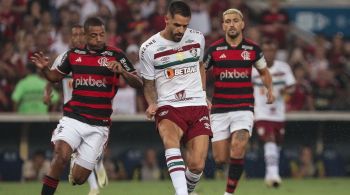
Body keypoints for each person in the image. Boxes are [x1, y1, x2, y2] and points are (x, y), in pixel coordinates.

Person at [30, 17, 142, 195]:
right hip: (73, 118)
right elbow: (54, 77)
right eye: (94, 35)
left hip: (99, 125)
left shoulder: (116, 55)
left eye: (102, 35)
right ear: (86, 36)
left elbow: (139, 83)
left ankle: (78, 161)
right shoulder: (73, 55)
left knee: (79, 179)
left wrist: (122, 71)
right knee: (60, 156)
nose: (99, 39)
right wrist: (44, 69)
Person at [139, 1, 212, 194]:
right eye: (177, 25)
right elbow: (147, 83)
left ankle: (186, 190)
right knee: (170, 141)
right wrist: (152, 103)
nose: (181, 30)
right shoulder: (149, 48)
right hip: (168, 105)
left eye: (185, 26)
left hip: (197, 104)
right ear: (166, 20)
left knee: (196, 165)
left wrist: (204, 95)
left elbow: (200, 66)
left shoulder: (198, 39)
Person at [203, 8, 275, 195]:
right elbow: (201, 69)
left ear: (242, 24)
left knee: (238, 146)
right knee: (220, 158)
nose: (231, 24)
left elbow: (264, 71)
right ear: (223, 26)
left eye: (235, 20)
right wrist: (202, 93)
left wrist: (269, 89)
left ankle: (229, 193)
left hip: (244, 107)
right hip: (219, 108)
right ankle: (230, 168)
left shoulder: (252, 49)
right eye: (227, 21)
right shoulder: (215, 50)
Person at [43, 24, 109, 195]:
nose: (78, 38)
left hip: (94, 112)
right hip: (73, 114)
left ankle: (97, 162)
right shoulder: (65, 57)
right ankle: (94, 186)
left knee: (85, 153)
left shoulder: (98, 57)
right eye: (75, 35)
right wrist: (46, 93)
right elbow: (51, 78)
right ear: (71, 38)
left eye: (81, 35)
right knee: (64, 153)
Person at [252, 38, 296, 187]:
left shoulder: (283, 68)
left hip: (278, 113)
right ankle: (275, 175)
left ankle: (269, 176)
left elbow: (292, 86)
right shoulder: (254, 69)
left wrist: (285, 91)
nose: (269, 54)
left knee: (277, 144)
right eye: (267, 51)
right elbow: (245, 86)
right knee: (269, 138)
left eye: (272, 50)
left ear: (276, 52)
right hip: (261, 112)